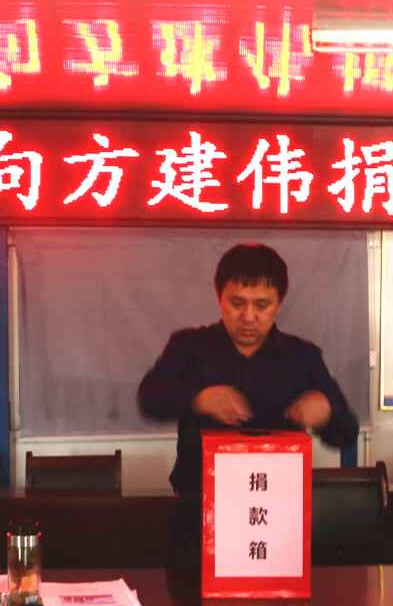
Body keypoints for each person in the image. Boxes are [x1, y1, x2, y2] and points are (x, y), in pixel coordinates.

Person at [138, 243, 358, 567]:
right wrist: (197, 398)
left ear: (279, 304)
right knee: (190, 597)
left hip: (276, 517)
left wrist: (326, 411)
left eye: (262, 305)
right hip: (199, 513)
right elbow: (149, 399)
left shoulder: (302, 357)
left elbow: (347, 431)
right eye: (237, 303)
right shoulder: (189, 348)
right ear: (219, 298)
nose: (249, 317)